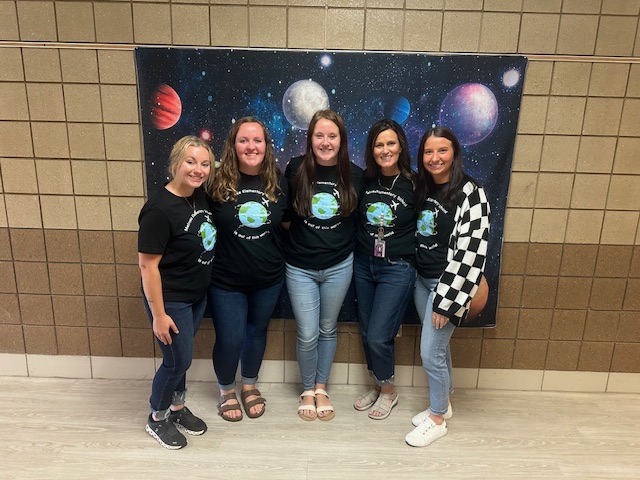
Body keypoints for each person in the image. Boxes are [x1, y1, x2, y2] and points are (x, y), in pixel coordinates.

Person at [405, 126, 490, 447]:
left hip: (447, 286)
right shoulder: (423, 188)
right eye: (428, 152)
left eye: (442, 150)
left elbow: (472, 253)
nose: (435, 157)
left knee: (430, 352)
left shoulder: (471, 193)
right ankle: (446, 403)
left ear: (454, 152)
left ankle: (437, 418)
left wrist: (447, 301)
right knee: (439, 349)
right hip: (422, 280)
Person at [207, 116, 288, 422]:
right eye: (244, 140)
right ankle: (227, 389)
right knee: (230, 337)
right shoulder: (215, 182)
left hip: (268, 278)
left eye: (258, 140)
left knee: (256, 333)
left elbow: (287, 223)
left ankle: (249, 385)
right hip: (226, 280)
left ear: (267, 146)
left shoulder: (279, 183)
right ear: (233, 144)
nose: (251, 146)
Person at [284, 110, 363, 421]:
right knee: (307, 333)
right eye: (319, 135)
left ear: (341, 139)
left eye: (332, 136)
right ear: (310, 138)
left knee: (328, 329)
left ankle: (320, 387)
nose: (326, 142)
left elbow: (357, 221)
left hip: (339, 266)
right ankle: (306, 388)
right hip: (300, 267)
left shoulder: (355, 174)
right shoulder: (294, 169)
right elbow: (285, 217)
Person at [138, 136, 216, 449]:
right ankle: (156, 418)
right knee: (175, 361)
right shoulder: (158, 210)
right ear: (175, 163)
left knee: (182, 360)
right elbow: (147, 267)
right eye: (191, 161)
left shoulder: (198, 197)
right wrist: (159, 315)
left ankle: (177, 408)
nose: (198, 169)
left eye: (205, 163)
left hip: (196, 296)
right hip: (170, 301)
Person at [352, 119, 416, 420]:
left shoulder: (415, 184)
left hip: (397, 268)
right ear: (372, 149)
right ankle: (378, 385)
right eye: (379, 144)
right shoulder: (365, 180)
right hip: (365, 264)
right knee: (367, 333)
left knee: (379, 335)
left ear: (400, 145)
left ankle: (389, 391)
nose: (385, 149)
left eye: (391, 143)